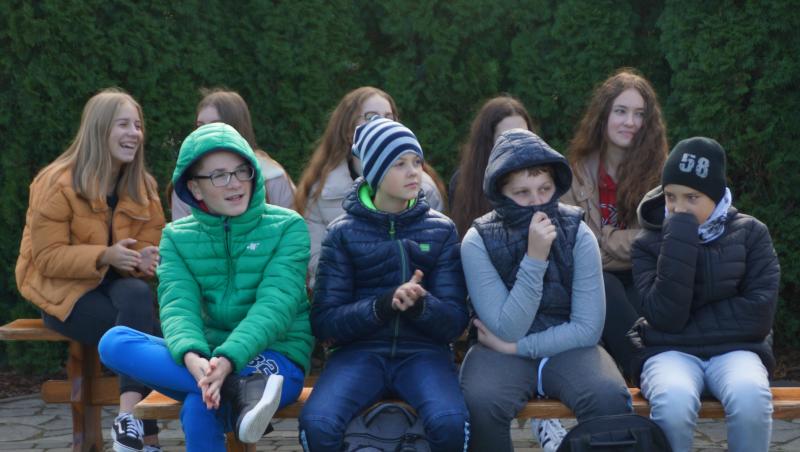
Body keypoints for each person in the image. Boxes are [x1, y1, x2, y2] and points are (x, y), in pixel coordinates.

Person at [98, 122, 313, 451]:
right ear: (195, 189)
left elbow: (276, 305)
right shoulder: (176, 237)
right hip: (205, 360)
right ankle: (236, 388)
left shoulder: (287, 227)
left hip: (276, 357)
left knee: (200, 406)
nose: (235, 183)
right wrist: (193, 358)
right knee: (114, 341)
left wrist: (227, 360)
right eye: (218, 175)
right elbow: (178, 307)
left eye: (241, 171)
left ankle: (233, 384)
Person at [298, 117, 470, 451]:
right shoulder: (341, 233)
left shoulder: (442, 230)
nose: (413, 172)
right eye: (399, 163)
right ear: (375, 172)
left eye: (416, 162)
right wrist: (382, 305)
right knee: (317, 423)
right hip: (357, 354)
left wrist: (420, 305)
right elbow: (324, 322)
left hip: (424, 354)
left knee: (451, 422)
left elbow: (455, 322)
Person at [459, 129, 632, 452]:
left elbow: (588, 328)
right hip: (497, 349)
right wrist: (535, 259)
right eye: (522, 193)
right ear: (500, 193)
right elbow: (507, 327)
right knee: (481, 401)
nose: (537, 202)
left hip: (568, 346)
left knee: (608, 396)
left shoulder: (579, 233)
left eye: (545, 189)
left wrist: (516, 348)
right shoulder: (477, 240)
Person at [15, 88, 166, 452]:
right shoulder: (56, 182)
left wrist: (144, 260)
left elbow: (150, 243)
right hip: (63, 294)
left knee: (137, 297)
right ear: (99, 129)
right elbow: (46, 257)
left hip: (121, 293)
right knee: (154, 335)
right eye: (123, 125)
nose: (134, 133)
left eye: (138, 125)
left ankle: (128, 420)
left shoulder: (143, 186)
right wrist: (104, 255)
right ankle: (145, 433)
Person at [630, 137, 779, 452]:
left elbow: (758, 315)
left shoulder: (753, 234)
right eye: (671, 196)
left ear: (716, 196)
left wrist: (690, 324)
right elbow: (663, 316)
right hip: (670, 352)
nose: (678, 208)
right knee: (672, 403)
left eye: (692, 197)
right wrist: (679, 236)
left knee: (751, 399)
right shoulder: (647, 244)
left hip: (737, 351)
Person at [561, 68, 668, 379]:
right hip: (591, 277)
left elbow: (659, 241)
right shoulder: (575, 172)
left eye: (639, 114)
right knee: (603, 286)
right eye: (621, 111)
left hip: (644, 273)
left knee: (638, 291)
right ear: (603, 115)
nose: (630, 122)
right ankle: (648, 370)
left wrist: (604, 239)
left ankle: (646, 371)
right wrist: (624, 242)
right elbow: (575, 244)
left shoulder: (661, 174)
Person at [294, 86, 447, 286]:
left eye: (389, 117)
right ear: (349, 130)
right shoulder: (322, 192)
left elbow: (438, 262)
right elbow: (318, 264)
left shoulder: (424, 189)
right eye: (371, 117)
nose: (382, 123)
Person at [170, 88, 295, 220]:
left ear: (237, 127)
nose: (206, 132)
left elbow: (290, 226)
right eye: (200, 126)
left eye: (216, 125)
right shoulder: (186, 184)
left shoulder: (273, 178)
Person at [450, 95, 535, 238]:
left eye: (523, 136)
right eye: (506, 138)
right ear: (488, 143)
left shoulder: (543, 178)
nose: (516, 145)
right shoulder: (463, 182)